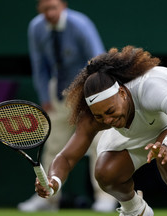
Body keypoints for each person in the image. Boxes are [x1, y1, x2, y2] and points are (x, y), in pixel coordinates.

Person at [34, 46, 167, 216]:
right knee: (105, 172)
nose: (108, 120)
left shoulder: (149, 88)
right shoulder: (94, 116)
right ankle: (136, 210)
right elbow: (67, 158)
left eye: (110, 111)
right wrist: (54, 182)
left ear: (121, 93)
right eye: (101, 117)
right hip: (146, 125)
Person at [18, 0, 117, 212]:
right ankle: (47, 197)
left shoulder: (80, 24)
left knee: (99, 144)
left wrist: (94, 94)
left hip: (87, 89)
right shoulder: (36, 27)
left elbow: (98, 59)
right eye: (44, 9)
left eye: (53, 7)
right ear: (39, 10)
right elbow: (39, 64)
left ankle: (105, 197)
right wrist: (45, 94)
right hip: (59, 91)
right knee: (53, 144)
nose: (49, 13)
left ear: (63, 6)